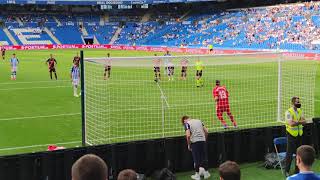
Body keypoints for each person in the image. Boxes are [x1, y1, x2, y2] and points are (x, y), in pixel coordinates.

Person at [181, 115, 210, 180]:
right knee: (204, 157)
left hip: (195, 142)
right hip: (202, 140)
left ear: (185, 120)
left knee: (196, 159)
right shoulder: (199, 121)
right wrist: (204, 139)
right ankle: (206, 173)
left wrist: (189, 144)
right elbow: (207, 131)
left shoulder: (187, 124)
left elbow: (188, 136)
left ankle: (197, 175)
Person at [285, 96, 307, 176]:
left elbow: (305, 121)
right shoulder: (288, 112)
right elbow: (291, 123)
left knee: (299, 153)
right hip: (291, 135)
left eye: (299, 102)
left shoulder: (300, 110)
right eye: (297, 102)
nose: (299, 103)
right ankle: (286, 171)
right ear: (293, 103)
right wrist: (299, 121)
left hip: (299, 135)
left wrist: (296, 121)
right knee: (289, 154)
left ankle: (297, 170)